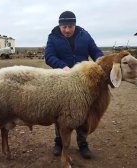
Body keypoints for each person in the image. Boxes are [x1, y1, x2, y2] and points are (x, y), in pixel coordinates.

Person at [44, 11, 104, 159]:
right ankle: (59, 143)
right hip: (62, 81)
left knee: (83, 114)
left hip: (83, 82)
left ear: (75, 25)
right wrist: (61, 65)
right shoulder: (53, 37)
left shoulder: (84, 35)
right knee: (61, 114)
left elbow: (95, 51)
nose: (67, 30)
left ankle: (83, 144)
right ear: (60, 25)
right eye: (64, 26)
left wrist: (100, 59)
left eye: (70, 26)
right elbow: (49, 56)